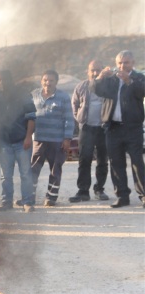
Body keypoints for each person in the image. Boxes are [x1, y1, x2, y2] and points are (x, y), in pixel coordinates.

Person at [90, 50, 145, 209]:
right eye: (120, 63)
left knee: (137, 162)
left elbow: (142, 92)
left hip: (132, 128)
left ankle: (143, 195)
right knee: (116, 163)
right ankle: (122, 196)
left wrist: (129, 81)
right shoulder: (111, 79)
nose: (122, 66)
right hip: (112, 128)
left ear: (132, 63)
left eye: (126, 63)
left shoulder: (139, 77)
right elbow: (95, 89)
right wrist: (100, 77)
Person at [30, 69, 74, 207]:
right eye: (45, 80)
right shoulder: (34, 95)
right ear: (41, 81)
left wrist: (67, 138)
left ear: (56, 82)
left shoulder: (63, 97)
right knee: (33, 169)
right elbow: (28, 115)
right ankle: (29, 196)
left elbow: (69, 119)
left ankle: (51, 198)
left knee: (55, 169)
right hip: (38, 139)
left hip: (57, 141)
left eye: (51, 80)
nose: (48, 83)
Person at [0, 70, 36, 213]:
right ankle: (6, 202)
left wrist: (28, 137)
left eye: (5, 79)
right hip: (5, 143)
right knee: (5, 175)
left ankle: (27, 202)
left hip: (21, 142)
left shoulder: (23, 95)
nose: (2, 82)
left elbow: (31, 117)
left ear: (11, 80)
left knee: (25, 174)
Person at [69, 60, 110, 203]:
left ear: (103, 70)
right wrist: (80, 119)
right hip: (86, 128)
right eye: (92, 70)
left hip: (104, 128)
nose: (95, 73)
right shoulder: (81, 87)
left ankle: (99, 189)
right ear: (87, 71)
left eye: (98, 70)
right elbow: (74, 106)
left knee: (102, 161)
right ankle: (83, 191)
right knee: (84, 159)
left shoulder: (108, 86)